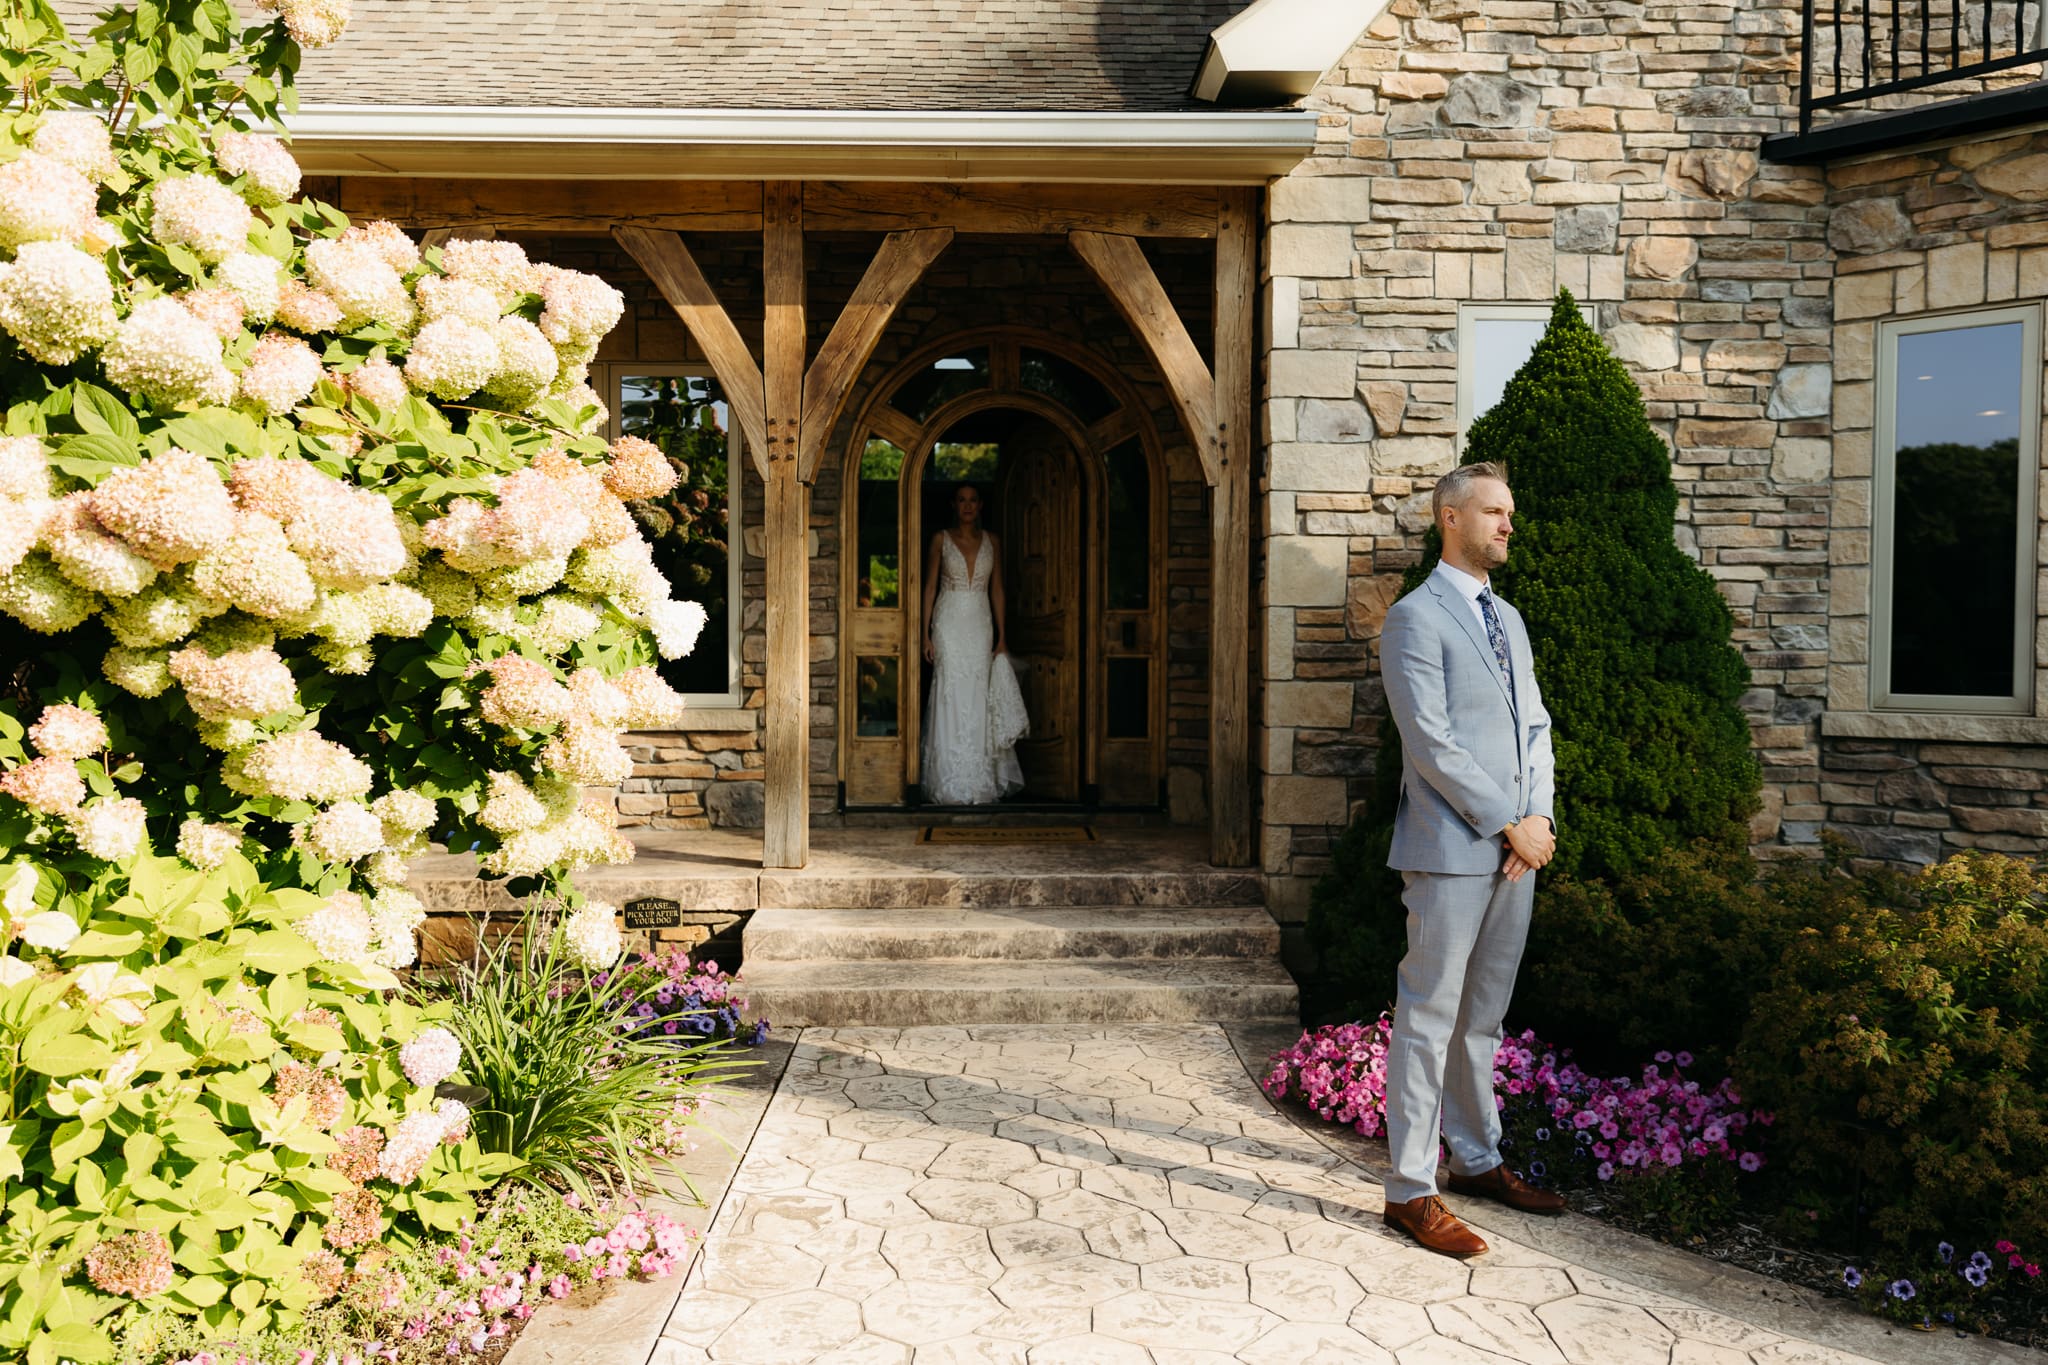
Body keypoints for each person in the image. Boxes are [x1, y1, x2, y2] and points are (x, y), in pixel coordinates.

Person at [1376, 460, 1563, 1259]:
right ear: (1449, 517)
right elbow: (1431, 743)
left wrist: (1542, 816)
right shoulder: (1414, 619)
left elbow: (1538, 727)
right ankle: (1410, 1191)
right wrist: (1505, 823)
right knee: (1428, 1019)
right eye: (1493, 511)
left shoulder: (1511, 620)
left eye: (1509, 512)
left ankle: (1477, 1159)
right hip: (1453, 850)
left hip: (1517, 853)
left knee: (1481, 1019)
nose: (1507, 523)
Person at [920, 483, 1027, 805]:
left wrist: (1002, 636)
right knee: (950, 694)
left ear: (980, 505)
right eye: (962, 500)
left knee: (979, 697)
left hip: (980, 624)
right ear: (954, 505)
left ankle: (979, 780)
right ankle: (948, 781)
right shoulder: (940, 539)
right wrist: (924, 633)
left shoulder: (992, 541)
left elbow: (998, 590)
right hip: (949, 623)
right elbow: (929, 588)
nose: (967, 506)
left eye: (973, 501)